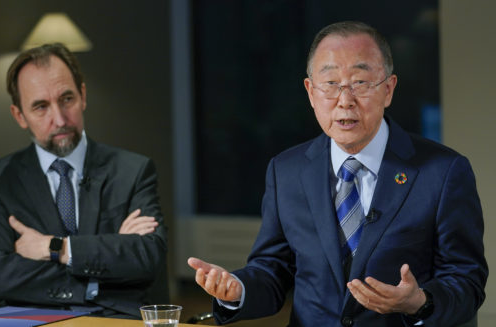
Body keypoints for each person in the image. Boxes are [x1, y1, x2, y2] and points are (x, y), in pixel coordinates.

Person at [188, 21, 487, 327]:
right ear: (311, 92)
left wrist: (420, 303)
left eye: (360, 82)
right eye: (331, 83)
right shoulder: (286, 171)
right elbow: (273, 270)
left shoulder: (443, 171)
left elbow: (467, 279)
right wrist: (238, 290)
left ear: (388, 89)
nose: (345, 100)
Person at [0, 43, 168, 319]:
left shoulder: (133, 170)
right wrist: (105, 265)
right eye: (41, 107)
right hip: (34, 321)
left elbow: (147, 257)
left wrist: (55, 248)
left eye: (67, 99)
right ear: (20, 116)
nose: (60, 118)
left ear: (83, 95)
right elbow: (2, 275)